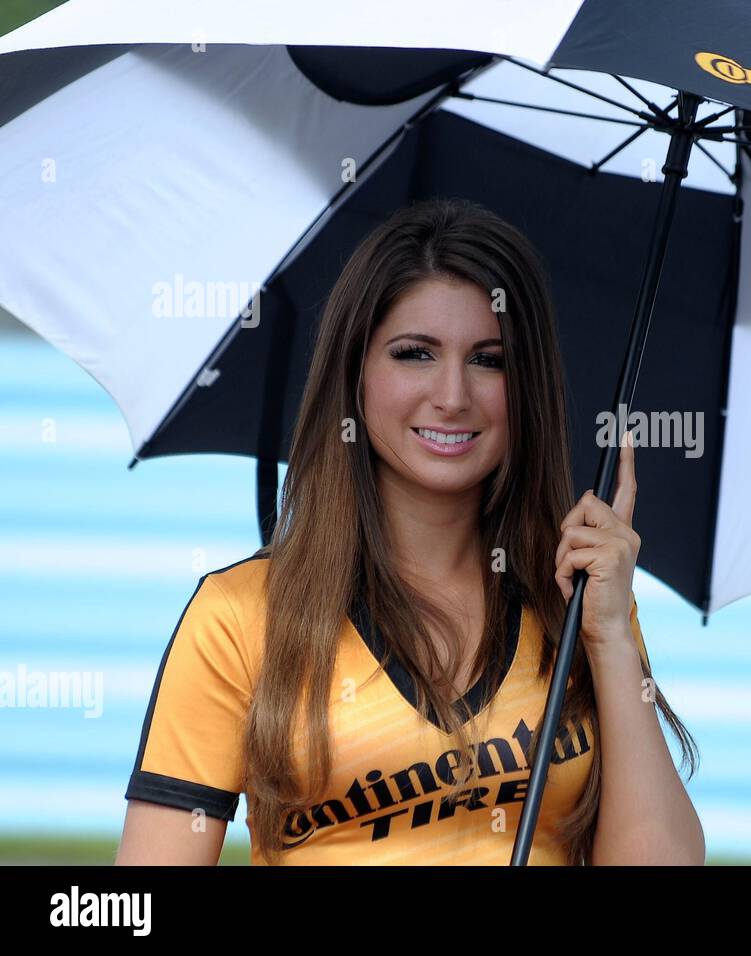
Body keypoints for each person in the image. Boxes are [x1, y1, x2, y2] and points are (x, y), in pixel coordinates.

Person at [115, 197, 703, 865]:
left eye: (490, 360)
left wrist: (611, 636)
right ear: (355, 374)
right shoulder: (239, 617)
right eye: (415, 353)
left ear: (528, 385)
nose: (452, 395)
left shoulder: (582, 601)